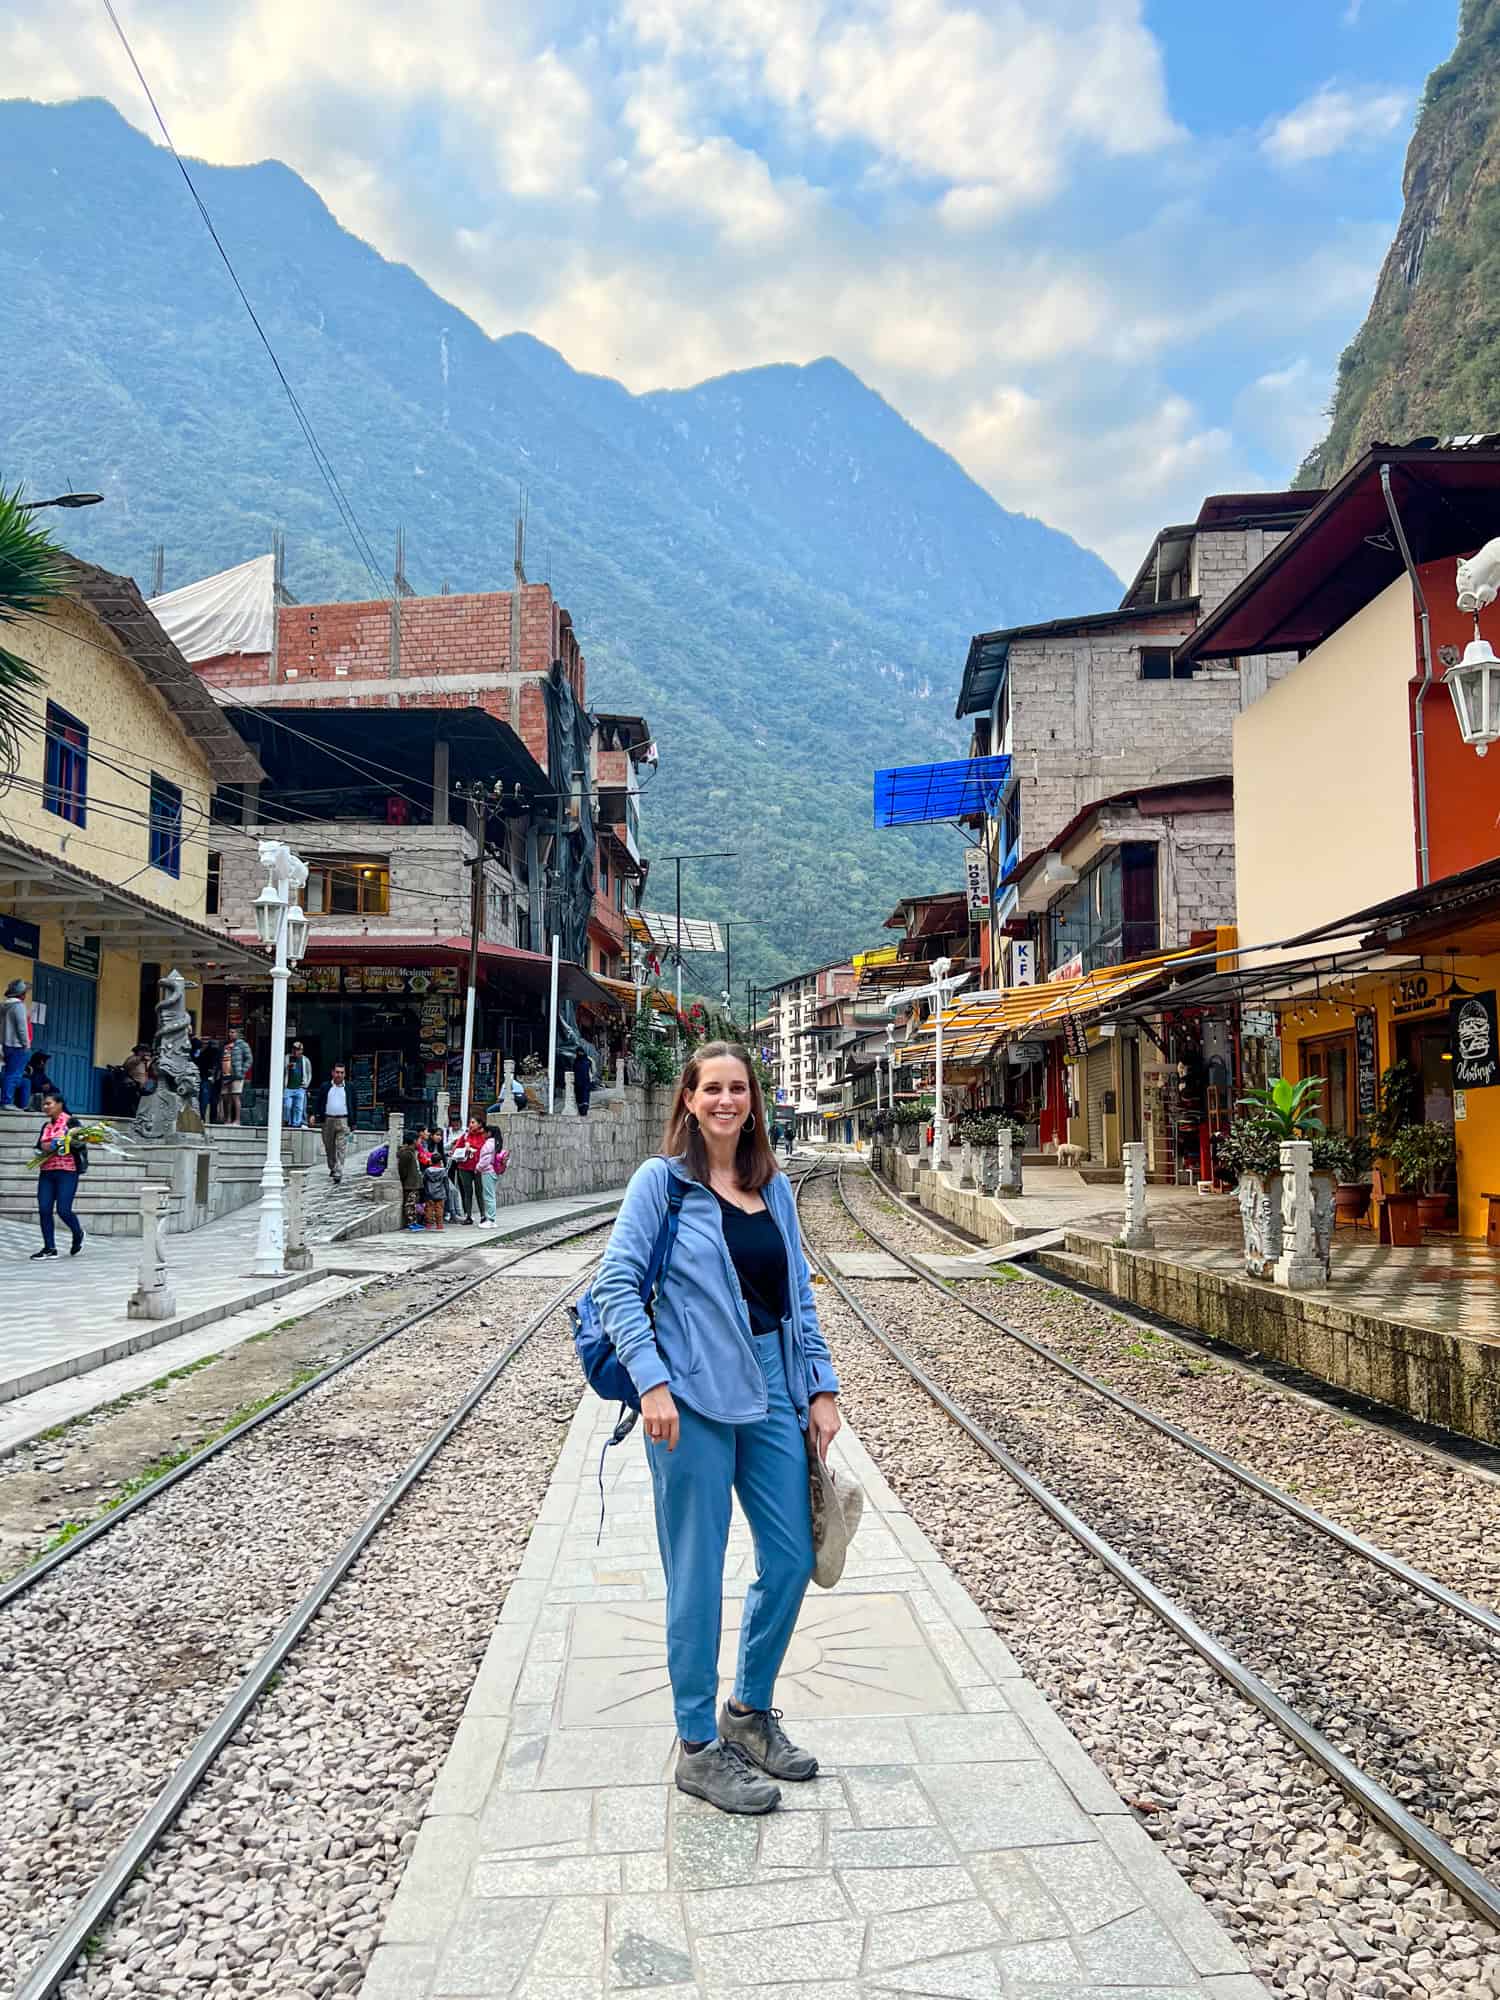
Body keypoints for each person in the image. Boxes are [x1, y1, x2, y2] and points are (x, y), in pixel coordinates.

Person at [593, 1041, 841, 1817]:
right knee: (696, 1573)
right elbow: (615, 1286)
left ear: (753, 1101)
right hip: (690, 1398)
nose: (727, 1101)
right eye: (713, 1089)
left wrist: (821, 1387)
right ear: (690, 1101)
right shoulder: (660, 1185)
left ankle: (750, 1711)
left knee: (794, 1556)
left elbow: (798, 1294)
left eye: (739, 1089)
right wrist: (652, 1383)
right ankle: (698, 1745)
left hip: (772, 1389)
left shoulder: (775, 1186)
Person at [32, 1088, 86, 1259]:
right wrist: (44, 1147)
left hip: (67, 1171)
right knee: (44, 1209)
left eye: (49, 1103)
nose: (45, 1107)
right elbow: (39, 1145)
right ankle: (49, 1248)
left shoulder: (72, 1123)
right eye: (44, 1104)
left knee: (63, 1210)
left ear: (60, 1104)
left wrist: (65, 1142)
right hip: (47, 1171)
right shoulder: (46, 1126)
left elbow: (81, 1144)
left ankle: (78, 1233)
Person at [1, 979, 29, 1111]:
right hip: (17, 1045)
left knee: (9, 1073)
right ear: (21, 994)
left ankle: (6, 1100)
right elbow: (21, 1028)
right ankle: (7, 1101)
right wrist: (26, 1043)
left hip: (5, 1045)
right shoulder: (19, 1007)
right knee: (13, 1074)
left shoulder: (3, 1006)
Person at [320, 1063, 351, 1182]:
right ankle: (332, 1167)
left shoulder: (349, 1087)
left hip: (343, 1120)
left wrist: (353, 1122)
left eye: (342, 1072)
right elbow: (320, 1101)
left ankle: (339, 1170)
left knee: (341, 1147)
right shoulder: (325, 1086)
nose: (339, 1075)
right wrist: (315, 1115)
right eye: (337, 1072)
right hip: (328, 1120)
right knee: (329, 1146)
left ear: (345, 1074)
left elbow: (353, 1103)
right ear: (333, 1073)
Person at [449, 1116, 484, 1222]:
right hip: (464, 1166)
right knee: (467, 1191)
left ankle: (483, 1215)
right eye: (470, 1122)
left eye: (473, 1122)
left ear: (480, 1124)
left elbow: (485, 1149)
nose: (471, 1124)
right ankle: (468, 1215)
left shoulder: (484, 1136)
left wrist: (473, 1149)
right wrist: (460, 1150)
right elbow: (457, 1148)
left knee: (479, 1191)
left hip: (479, 1167)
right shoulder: (465, 1135)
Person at [476, 1124, 503, 1222]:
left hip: (487, 1171)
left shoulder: (488, 1144)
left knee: (488, 1196)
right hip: (493, 1171)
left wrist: (478, 1167)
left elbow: (485, 1159)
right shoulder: (496, 1143)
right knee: (490, 1195)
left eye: (484, 1132)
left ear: (489, 1133)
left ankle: (490, 1219)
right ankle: (491, 1218)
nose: (483, 1134)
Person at [420, 1138, 449, 1232]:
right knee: (439, 1209)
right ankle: (439, 1224)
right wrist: (447, 1192)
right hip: (440, 1193)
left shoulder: (427, 1171)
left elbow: (424, 1180)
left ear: (431, 1161)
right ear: (440, 1162)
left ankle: (428, 1224)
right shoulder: (443, 1171)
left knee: (429, 1209)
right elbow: (446, 1183)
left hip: (429, 1193)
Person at [225, 1031, 252, 1124]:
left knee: (235, 1096)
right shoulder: (227, 1045)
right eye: (230, 1032)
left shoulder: (243, 1045)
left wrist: (242, 1071)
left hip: (237, 1075)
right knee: (227, 1097)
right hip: (226, 1075)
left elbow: (249, 1059)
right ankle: (228, 1119)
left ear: (237, 1034)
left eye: (233, 1032)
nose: (230, 1034)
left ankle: (237, 1119)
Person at [398, 1134, 424, 1229]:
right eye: (418, 1140)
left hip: (414, 1183)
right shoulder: (406, 1153)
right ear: (414, 1141)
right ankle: (410, 1223)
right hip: (410, 1184)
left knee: (414, 1204)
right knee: (410, 1204)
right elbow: (403, 1169)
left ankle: (414, 1222)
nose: (420, 1142)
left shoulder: (412, 1152)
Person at [284, 1041, 312, 1129]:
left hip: (300, 1088)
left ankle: (296, 1125)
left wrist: (306, 1085)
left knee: (299, 1108)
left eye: (299, 1050)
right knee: (287, 1106)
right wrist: (286, 1067)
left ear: (302, 1050)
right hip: (288, 1087)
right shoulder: (287, 1058)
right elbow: (280, 1069)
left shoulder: (305, 1060)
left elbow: (309, 1073)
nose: (296, 1052)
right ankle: (287, 1121)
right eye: (295, 1049)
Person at [197, 1038, 222, 1125]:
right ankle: (210, 1119)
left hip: (209, 1080)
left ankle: (203, 1118)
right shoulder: (217, 1054)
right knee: (211, 1100)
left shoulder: (204, 1054)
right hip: (211, 1080)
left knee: (206, 1100)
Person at [573, 1044, 593, 1118]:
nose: (580, 1053)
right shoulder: (576, 1061)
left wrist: (591, 1081)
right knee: (579, 1098)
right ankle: (581, 1111)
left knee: (585, 1098)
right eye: (578, 1052)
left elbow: (592, 1071)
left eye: (581, 1052)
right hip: (578, 1083)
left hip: (586, 1083)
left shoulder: (588, 1061)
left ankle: (584, 1111)